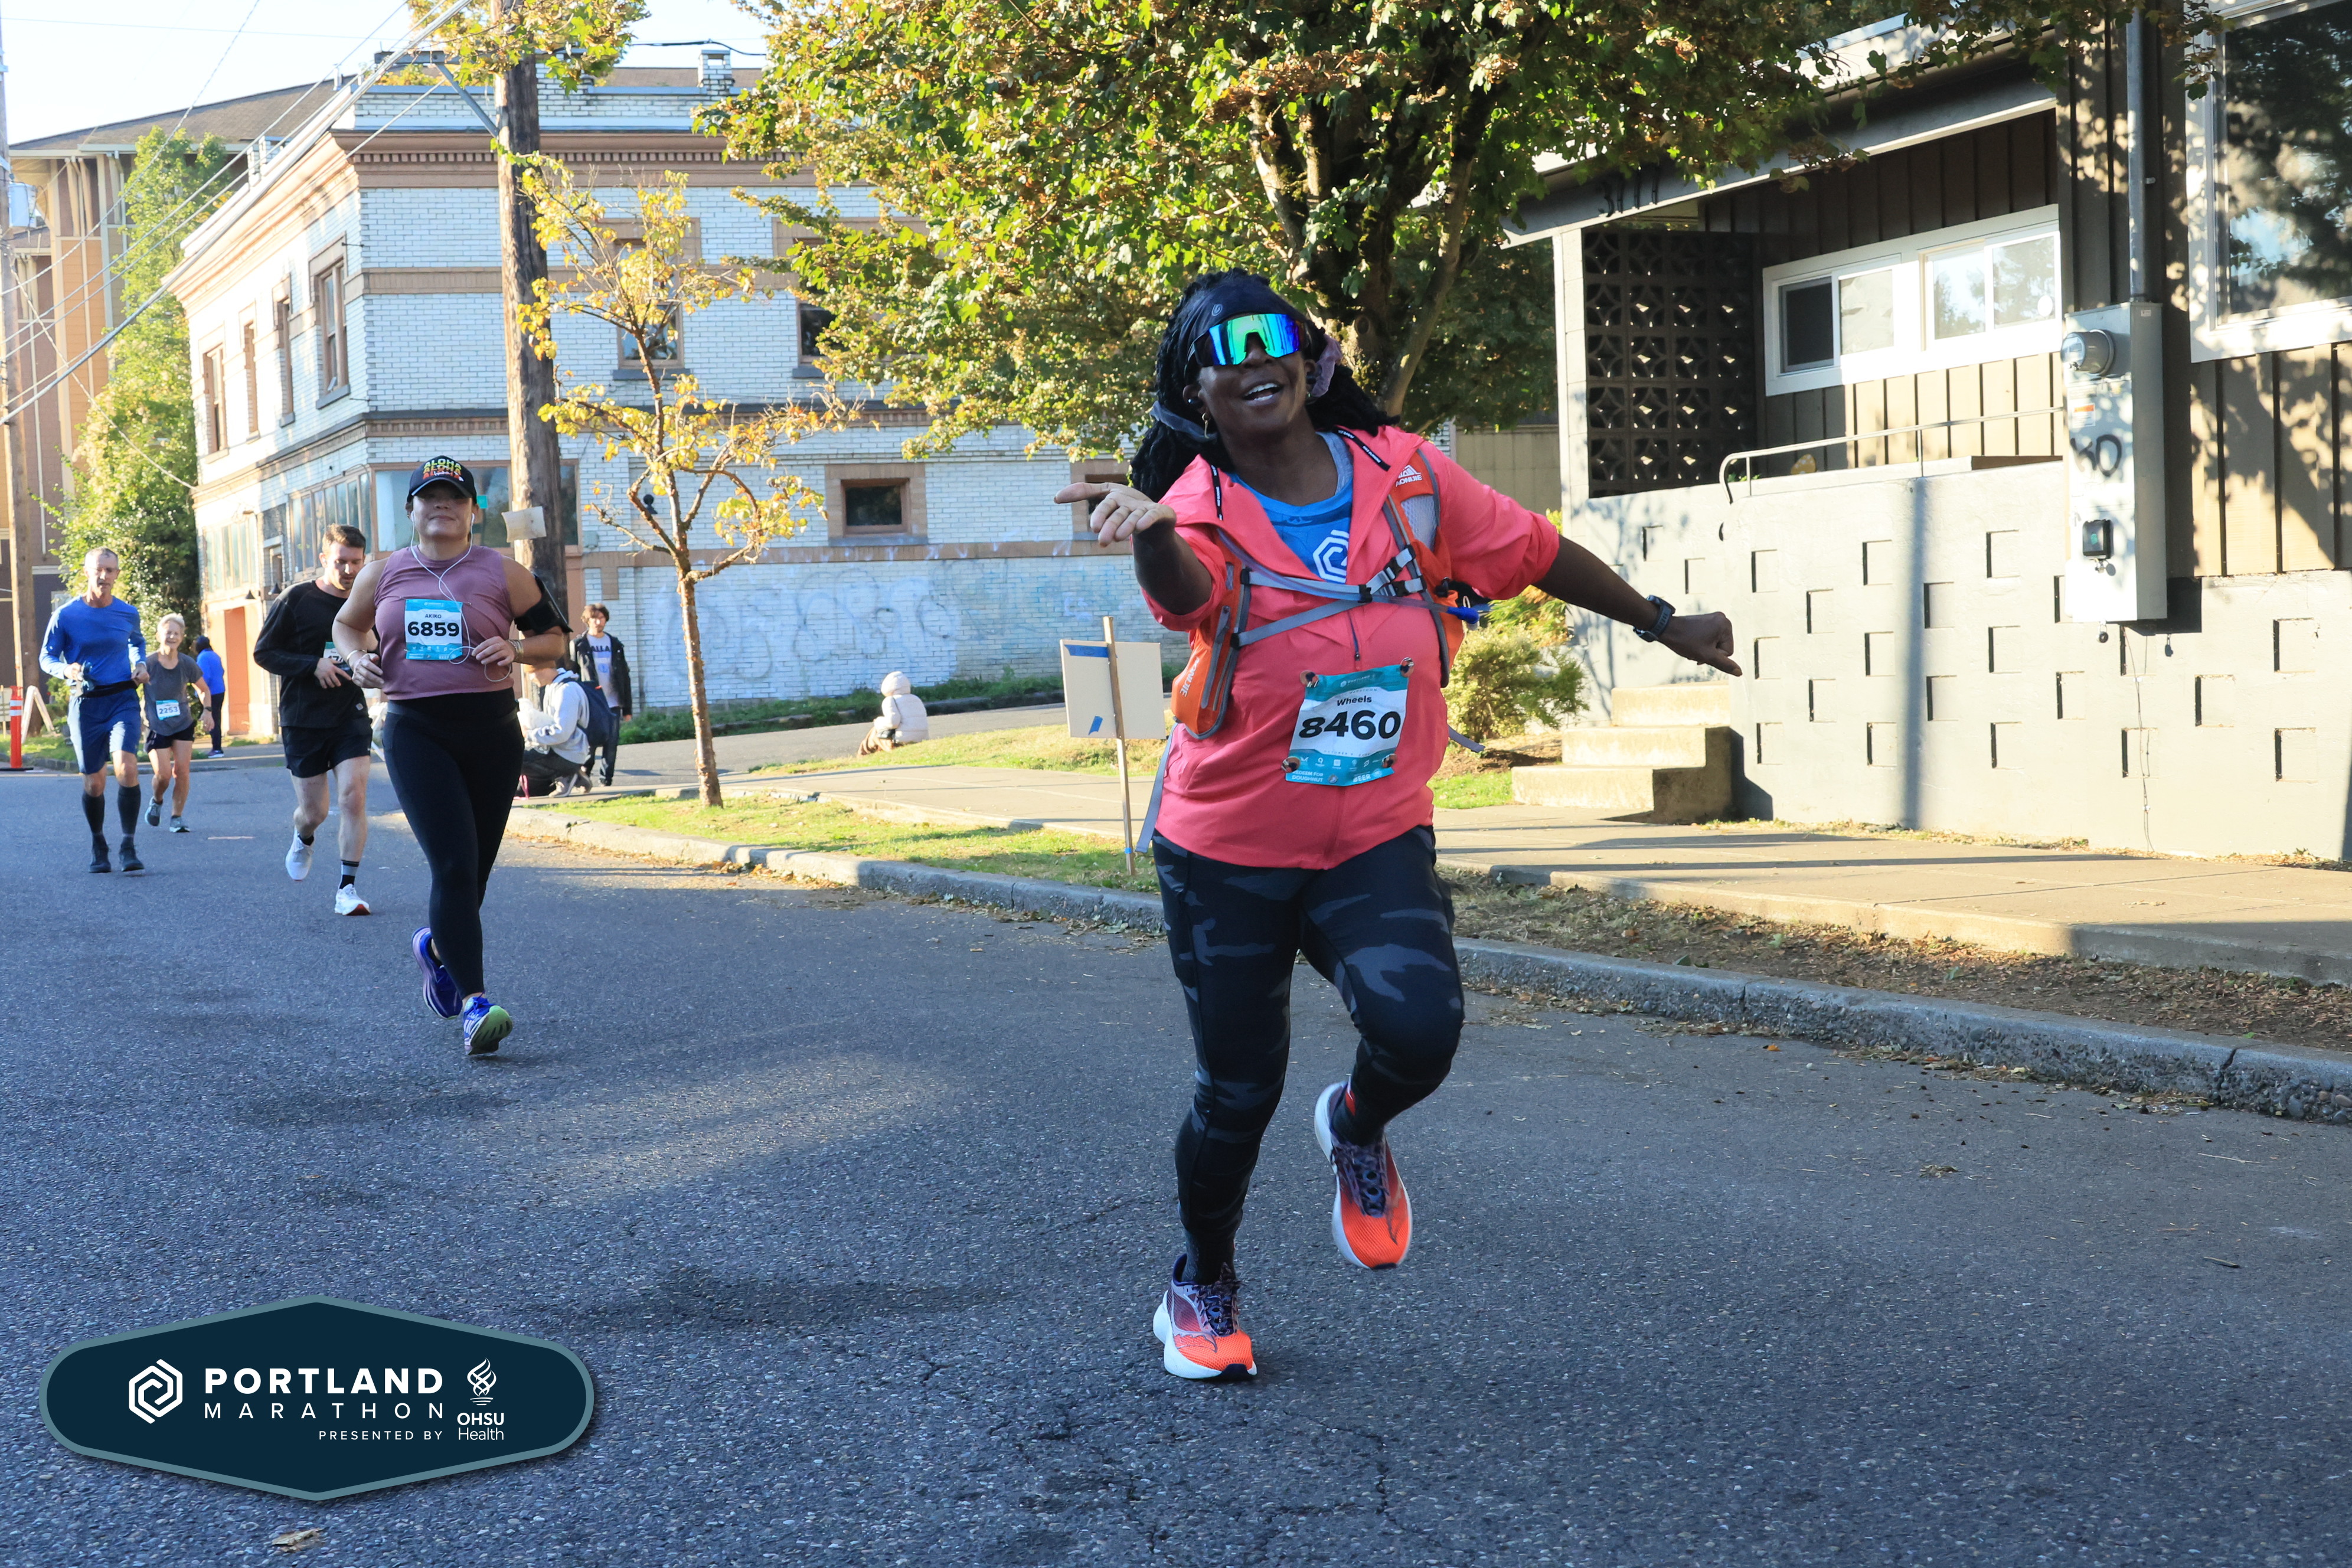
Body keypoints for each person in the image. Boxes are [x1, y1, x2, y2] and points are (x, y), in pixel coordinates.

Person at [1055, 273, 1740, 1382]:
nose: (1255, 358)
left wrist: (1660, 621)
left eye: (1272, 334)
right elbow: (1185, 596)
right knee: (1238, 1093)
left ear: (1312, 357)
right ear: (1194, 393)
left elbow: (1530, 548)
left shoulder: (1404, 474)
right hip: (1227, 850)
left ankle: (1355, 1124)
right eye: (1225, 349)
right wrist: (1149, 535)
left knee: (1420, 1033)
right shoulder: (1194, 504)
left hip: (1372, 831)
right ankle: (1202, 1282)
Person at [335, 458, 571, 1056]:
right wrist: (355, 658)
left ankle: (438, 947)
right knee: (454, 866)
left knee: (474, 874)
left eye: (455, 497)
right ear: (411, 509)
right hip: (417, 731)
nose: (442, 505)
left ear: (473, 512)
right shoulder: (383, 572)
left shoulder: (504, 572)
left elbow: (554, 641)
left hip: (492, 732)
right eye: (430, 496)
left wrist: (515, 649)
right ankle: (475, 1004)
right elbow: (346, 626)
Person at [253, 523, 377, 916]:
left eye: (356, 562)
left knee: (353, 796)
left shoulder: (367, 602)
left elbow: (381, 646)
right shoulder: (297, 599)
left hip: (349, 715)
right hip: (303, 718)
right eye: (341, 562)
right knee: (315, 812)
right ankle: (303, 836)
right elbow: (264, 653)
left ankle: (347, 889)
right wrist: (313, 665)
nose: (349, 570)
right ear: (324, 559)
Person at [39, 548, 149, 874]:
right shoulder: (66, 615)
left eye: (110, 570)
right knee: (94, 784)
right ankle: (99, 844)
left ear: (117, 574)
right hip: (86, 704)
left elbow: (137, 643)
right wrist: (66, 670)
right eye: (99, 570)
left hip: (122, 698)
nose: (104, 576)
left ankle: (128, 845)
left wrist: (141, 664)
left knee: (127, 768)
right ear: (87, 572)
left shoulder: (127, 612)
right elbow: (47, 657)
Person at [139, 613, 210, 833]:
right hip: (156, 725)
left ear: (182, 637)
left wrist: (208, 711)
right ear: (159, 635)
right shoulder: (148, 664)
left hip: (182, 723)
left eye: (176, 634)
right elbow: (130, 690)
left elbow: (204, 690)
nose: (172, 637)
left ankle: (177, 817)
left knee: (182, 771)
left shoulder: (187, 663)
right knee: (163, 775)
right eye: (168, 632)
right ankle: (157, 800)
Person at [570, 603, 630, 786]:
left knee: (612, 743)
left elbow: (624, 676)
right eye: (594, 618)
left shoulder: (615, 644)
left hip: (613, 701)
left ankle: (606, 780)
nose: (598, 622)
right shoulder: (579, 645)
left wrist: (628, 708)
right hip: (592, 703)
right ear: (587, 621)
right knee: (590, 742)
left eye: (601, 618)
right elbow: (573, 673)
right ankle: (585, 774)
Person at [517, 658, 590, 796]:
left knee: (514, 760)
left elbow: (562, 732)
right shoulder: (554, 687)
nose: (531, 679)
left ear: (543, 669)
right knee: (517, 760)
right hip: (561, 749)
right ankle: (572, 775)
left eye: (531, 674)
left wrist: (529, 734)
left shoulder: (566, 691)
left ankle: (567, 774)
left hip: (568, 753)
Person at [855, 670, 928, 756]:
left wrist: (878, 721)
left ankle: (862, 756)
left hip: (900, 743)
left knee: (874, 732)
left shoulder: (890, 700)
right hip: (921, 740)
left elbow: (893, 723)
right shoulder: (916, 699)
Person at [194, 635, 228, 756]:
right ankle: (217, 747)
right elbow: (222, 671)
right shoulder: (215, 655)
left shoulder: (203, 657)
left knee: (211, 720)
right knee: (217, 719)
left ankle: (217, 749)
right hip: (220, 690)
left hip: (210, 693)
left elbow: (204, 676)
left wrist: (200, 691)